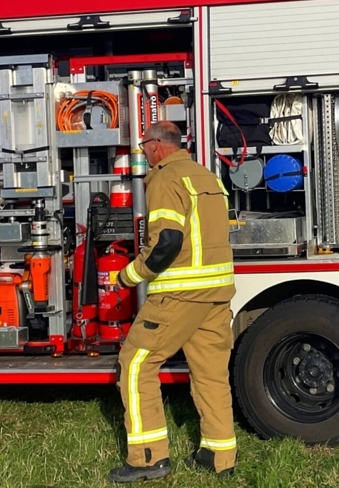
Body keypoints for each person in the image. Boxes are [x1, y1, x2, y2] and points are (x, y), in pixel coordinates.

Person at [108, 121, 237, 482]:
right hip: (216, 294)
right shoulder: (206, 177)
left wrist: (127, 276)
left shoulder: (166, 178)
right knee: (211, 375)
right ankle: (219, 455)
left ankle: (148, 458)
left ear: (157, 146)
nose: (143, 153)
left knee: (134, 365)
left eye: (143, 145)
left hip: (180, 295)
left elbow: (166, 242)